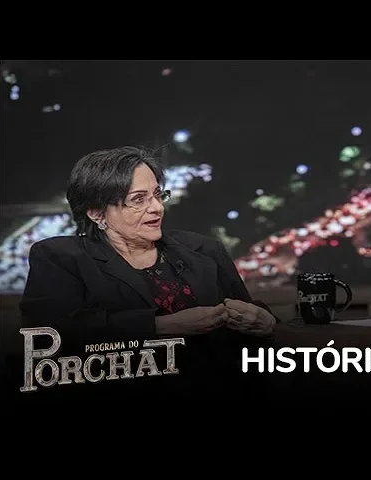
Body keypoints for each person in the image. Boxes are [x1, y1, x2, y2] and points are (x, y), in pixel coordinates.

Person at [19, 146, 277, 402]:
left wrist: (267, 324)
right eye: (138, 199)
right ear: (97, 213)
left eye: (157, 194)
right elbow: (52, 336)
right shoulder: (61, 257)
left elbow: (248, 319)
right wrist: (162, 326)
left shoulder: (204, 250)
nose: (157, 208)